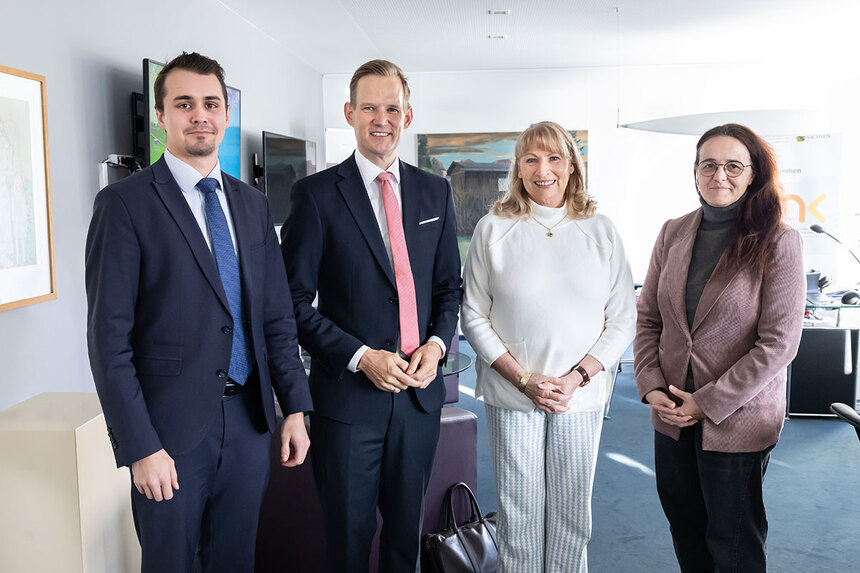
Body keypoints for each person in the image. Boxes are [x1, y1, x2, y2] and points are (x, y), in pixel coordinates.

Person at [85, 52, 312, 573]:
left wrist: (294, 408)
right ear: (161, 117)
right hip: (169, 435)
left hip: (251, 424)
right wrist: (141, 446)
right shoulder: (124, 205)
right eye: (184, 104)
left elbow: (276, 317)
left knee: (235, 561)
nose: (200, 115)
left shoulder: (252, 204)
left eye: (211, 103)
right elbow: (108, 344)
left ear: (226, 115)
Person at [280, 59, 462, 572]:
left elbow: (449, 287)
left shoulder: (435, 192)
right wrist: (360, 358)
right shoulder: (315, 196)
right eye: (368, 108)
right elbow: (291, 303)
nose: (380, 119)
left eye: (392, 108)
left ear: (407, 116)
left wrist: (438, 344)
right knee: (348, 541)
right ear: (349, 113)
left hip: (419, 400)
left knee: (407, 541)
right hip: (347, 405)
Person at [461, 121, 636, 572]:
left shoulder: (601, 231)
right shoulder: (493, 228)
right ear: (517, 169)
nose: (544, 169)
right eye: (531, 158)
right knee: (519, 512)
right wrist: (523, 378)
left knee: (572, 513)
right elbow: (473, 314)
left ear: (572, 165)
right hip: (513, 392)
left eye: (555, 157)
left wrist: (577, 377)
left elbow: (622, 317)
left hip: (580, 396)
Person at [634, 123, 806, 572]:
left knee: (732, 546)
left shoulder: (778, 241)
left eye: (733, 165)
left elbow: (779, 343)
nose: (720, 175)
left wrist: (705, 403)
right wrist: (652, 387)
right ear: (695, 171)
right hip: (671, 415)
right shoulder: (672, 232)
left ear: (753, 174)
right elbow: (649, 318)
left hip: (738, 421)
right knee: (686, 532)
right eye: (709, 165)